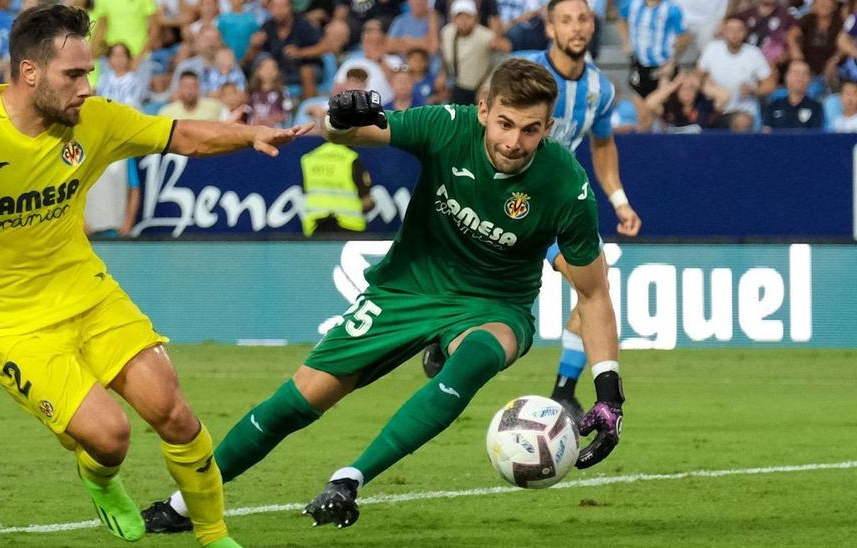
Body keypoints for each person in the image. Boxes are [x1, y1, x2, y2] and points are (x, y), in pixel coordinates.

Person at [0, 5, 310, 547]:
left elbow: (180, 135)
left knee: (174, 413)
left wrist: (247, 133)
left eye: (88, 73)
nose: (87, 87)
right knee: (110, 438)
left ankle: (213, 534)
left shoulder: (95, 120)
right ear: (29, 72)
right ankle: (99, 476)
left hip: (90, 297)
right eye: (74, 75)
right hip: (12, 324)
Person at [141, 58, 626, 533]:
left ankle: (348, 479)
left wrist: (609, 394)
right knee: (296, 403)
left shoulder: (567, 185)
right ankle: (184, 506)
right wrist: (339, 116)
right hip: (406, 287)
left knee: (475, 358)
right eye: (504, 124)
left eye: (530, 130)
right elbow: (352, 133)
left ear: (548, 127)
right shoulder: (445, 126)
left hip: (495, 305)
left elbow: (593, 293)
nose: (514, 142)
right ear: (482, 110)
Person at [498, 0, 641, 422]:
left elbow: (602, 146)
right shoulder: (522, 70)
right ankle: (443, 336)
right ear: (550, 28)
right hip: (501, 198)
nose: (576, 28)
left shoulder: (601, 89)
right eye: (566, 20)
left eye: (583, 19)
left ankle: (564, 389)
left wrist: (619, 200)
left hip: (556, 207)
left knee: (593, 283)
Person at [617, 0, 691, 129]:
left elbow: (684, 36)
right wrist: (626, 41)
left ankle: (663, 143)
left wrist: (672, 60)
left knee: (662, 114)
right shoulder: (633, 4)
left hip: (663, 68)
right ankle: (643, 145)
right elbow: (621, 20)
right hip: (639, 66)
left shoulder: (672, 9)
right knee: (642, 116)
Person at [299, 139, 373, 237]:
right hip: (349, 226)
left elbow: (306, 192)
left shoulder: (309, 158)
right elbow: (367, 201)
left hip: (316, 227)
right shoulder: (351, 158)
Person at [762, 59, 824, 130]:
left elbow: (816, 137)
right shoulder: (773, 107)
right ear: (787, 77)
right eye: (796, 73)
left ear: (809, 79)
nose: (800, 77)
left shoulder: (816, 108)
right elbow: (766, 135)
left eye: (805, 74)